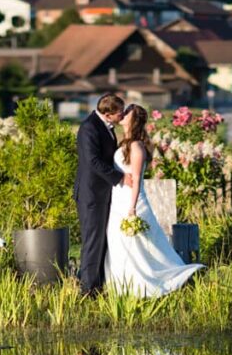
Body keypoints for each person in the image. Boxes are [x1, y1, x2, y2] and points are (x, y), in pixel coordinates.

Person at [104, 104, 205, 296]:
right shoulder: (123, 143)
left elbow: (135, 179)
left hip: (130, 202)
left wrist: (132, 208)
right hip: (117, 200)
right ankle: (122, 287)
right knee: (119, 245)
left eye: (127, 114)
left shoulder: (136, 146)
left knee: (139, 247)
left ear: (134, 121)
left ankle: (147, 285)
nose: (122, 115)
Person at [74, 94, 133, 295]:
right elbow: (93, 161)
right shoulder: (89, 128)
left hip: (102, 193)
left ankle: (97, 285)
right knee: (92, 241)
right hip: (91, 195)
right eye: (120, 113)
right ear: (108, 114)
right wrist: (120, 177)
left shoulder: (105, 126)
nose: (122, 115)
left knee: (101, 240)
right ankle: (88, 290)